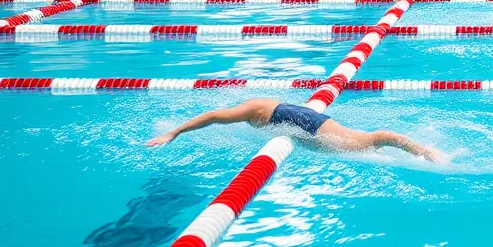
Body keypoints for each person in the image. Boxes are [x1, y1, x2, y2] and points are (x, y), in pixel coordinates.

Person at [147, 98, 444, 162]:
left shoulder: (250, 110)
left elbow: (212, 115)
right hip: (314, 122)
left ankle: (426, 152)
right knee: (369, 142)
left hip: (317, 128)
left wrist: (174, 132)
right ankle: (423, 150)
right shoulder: (260, 105)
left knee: (371, 140)